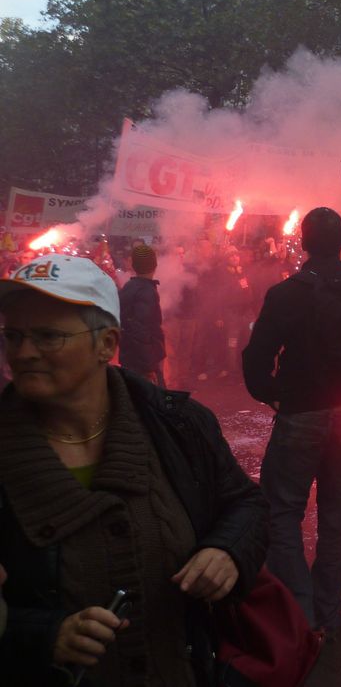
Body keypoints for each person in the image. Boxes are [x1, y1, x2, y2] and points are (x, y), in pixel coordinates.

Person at [0, 254, 267, 686]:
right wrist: (42, 636)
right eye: (13, 336)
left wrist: (227, 551)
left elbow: (245, 504)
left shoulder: (179, 425)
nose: (23, 353)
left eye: (48, 336)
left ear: (106, 344)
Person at [242, 160, 341, 640]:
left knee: (282, 512)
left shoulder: (285, 294)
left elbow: (255, 360)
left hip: (302, 414)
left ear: (305, 243)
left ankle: (303, 617)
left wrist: (273, 396)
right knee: (336, 517)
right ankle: (327, 612)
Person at [117, 243, 166, 386]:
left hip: (129, 356)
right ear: (154, 265)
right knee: (155, 401)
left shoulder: (129, 286)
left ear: (134, 266)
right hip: (143, 361)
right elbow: (140, 330)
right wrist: (148, 366)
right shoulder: (146, 291)